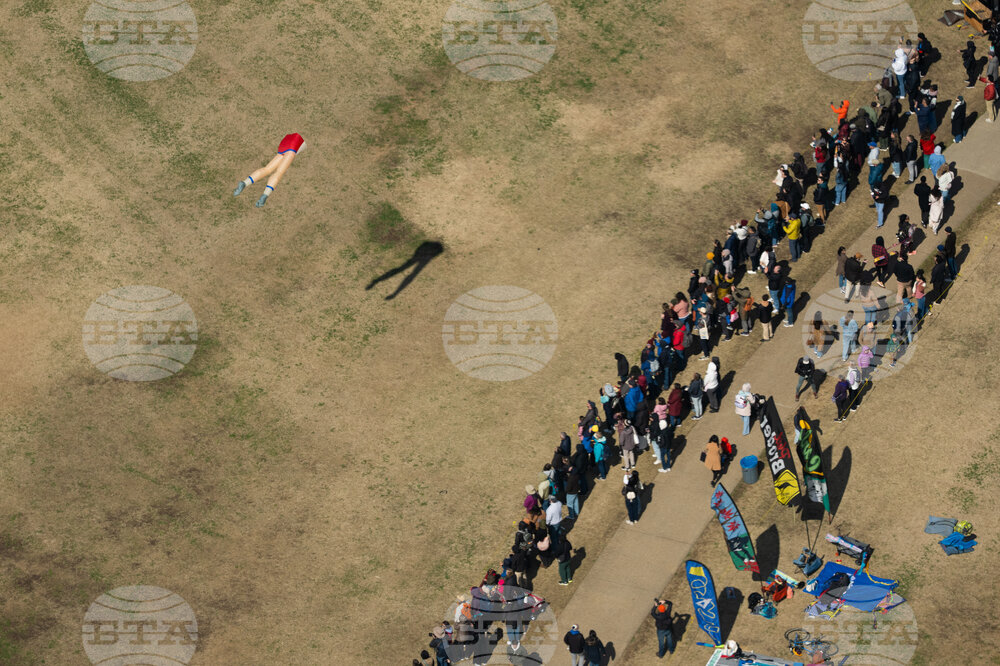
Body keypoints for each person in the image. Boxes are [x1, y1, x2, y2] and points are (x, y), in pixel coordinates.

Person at [233, 132, 306, 207]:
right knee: (279, 172)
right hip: (296, 141)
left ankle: (244, 183)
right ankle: (264, 195)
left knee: (267, 169)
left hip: (287, 140)